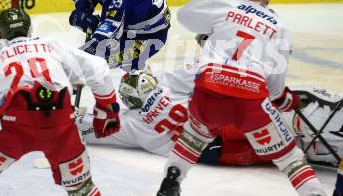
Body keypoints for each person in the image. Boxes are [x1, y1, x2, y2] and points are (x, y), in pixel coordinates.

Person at [156, 0, 327, 196]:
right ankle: (314, 193)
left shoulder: (225, 4)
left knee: (193, 137)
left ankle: (171, 181)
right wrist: (285, 100)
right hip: (249, 99)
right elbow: (274, 88)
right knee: (289, 157)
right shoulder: (280, 28)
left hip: (208, 90)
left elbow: (184, 15)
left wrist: (211, 8)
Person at [0, 7, 121, 196]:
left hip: (15, 127)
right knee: (81, 187)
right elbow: (98, 68)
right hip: (62, 123)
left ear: (0, 34)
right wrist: (107, 110)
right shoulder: (51, 45)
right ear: (29, 29)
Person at [77, 67, 343, 167]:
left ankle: (321, 150)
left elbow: (93, 130)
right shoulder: (169, 88)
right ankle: (326, 127)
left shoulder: (133, 123)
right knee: (280, 118)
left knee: (272, 150)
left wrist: (72, 117)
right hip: (222, 124)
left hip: (214, 152)